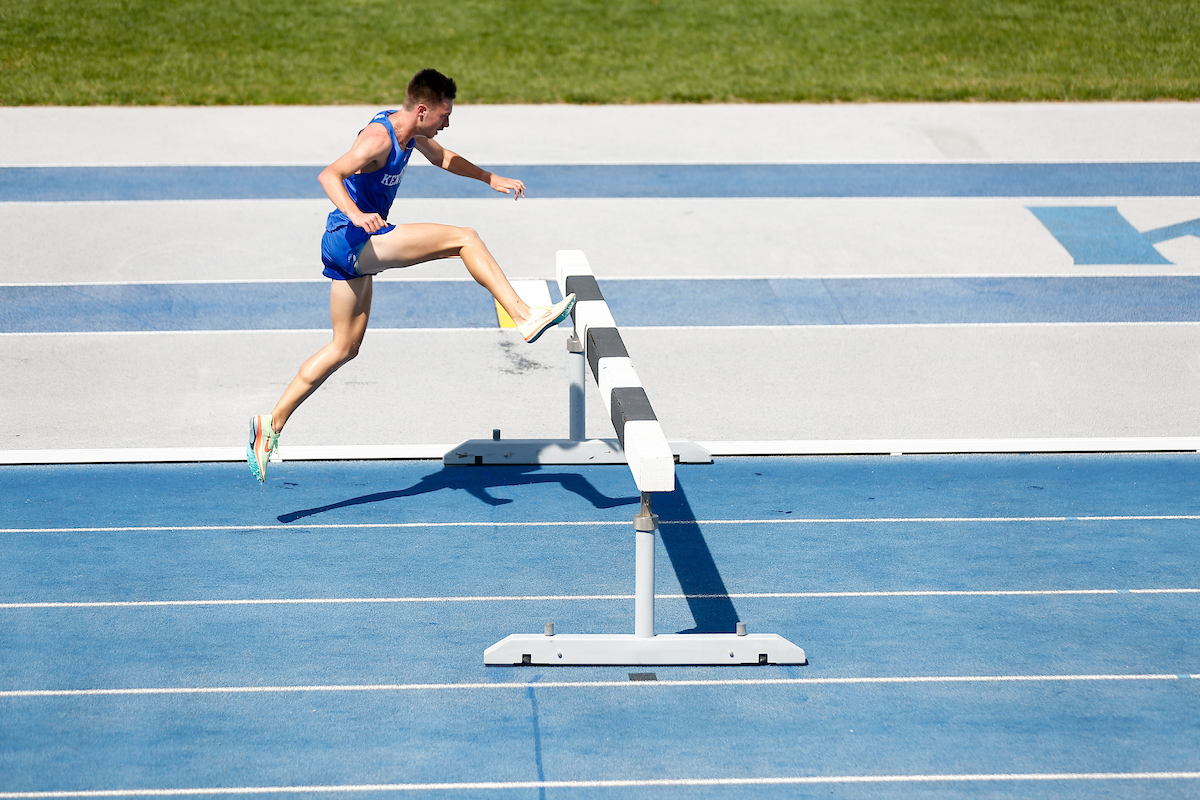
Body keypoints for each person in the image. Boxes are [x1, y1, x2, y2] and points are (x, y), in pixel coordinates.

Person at [248, 68, 575, 482]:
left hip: (347, 246)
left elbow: (443, 157)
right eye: (444, 115)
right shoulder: (380, 138)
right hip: (352, 237)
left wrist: (489, 177)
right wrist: (357, 214)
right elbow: (328, 174)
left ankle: (270, 424)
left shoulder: (410, 132)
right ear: (422, 110)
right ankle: (526, 316)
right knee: (465, 238)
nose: (447, 122)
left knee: (344, 347)